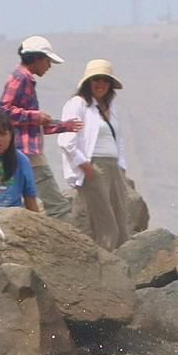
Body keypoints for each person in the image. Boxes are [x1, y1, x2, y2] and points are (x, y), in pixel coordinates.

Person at [0, 35, 83, 221]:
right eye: (47, 61)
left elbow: (30, 125)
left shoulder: (25, 79)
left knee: (19, 201)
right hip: (27, 153)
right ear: (35, 58)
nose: (49, 66)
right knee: (57, 205)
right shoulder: (21, 78)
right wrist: (36, 116)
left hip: (21, 151)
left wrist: (62, 126)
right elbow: (4, 111)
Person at [58, 59, 133, 250]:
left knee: (121, 223)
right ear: (88, 83)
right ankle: (102, 269)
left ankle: (121, 267)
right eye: (96, 80)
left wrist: (121, 167)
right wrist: (85, 165)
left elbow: (118, 140)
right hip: (94, 165)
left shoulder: (110, 109)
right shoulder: (78, 104)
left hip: (113, 167)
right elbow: (67, 140)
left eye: (104, 80)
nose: (100, 84)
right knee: (105, 226)